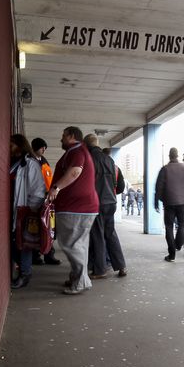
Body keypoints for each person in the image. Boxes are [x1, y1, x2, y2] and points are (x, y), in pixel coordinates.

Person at [47, 126, 99, 295]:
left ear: (71, 136)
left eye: (63, 136)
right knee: (79, 245)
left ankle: (80, 281)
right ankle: (79, 278)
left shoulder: (76, 151)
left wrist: (56, 187)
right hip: (83, 207)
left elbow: (75, 172)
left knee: (70, 245)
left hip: (76, 207)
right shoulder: (79, 151)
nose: (61, 139)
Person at [84, 134, 128, 279]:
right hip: (111, 202)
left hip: (97, 202)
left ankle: (100, 270)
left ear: (86, 144)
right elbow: (119, 186)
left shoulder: (88, 159)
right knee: (111, 234)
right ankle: (121, 266)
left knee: (97, 235)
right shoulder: (110, 160)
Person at [9, 134, 46, 289]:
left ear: (19, 145)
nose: (9, 148)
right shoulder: (15, 163)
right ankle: (24, 270)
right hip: (15, 209)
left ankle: (25, 274)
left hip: (25, 209)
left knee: (24, 243)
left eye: (11, 145)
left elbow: (38, 190)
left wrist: (30, 209)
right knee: (17, 242)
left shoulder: (30, 164)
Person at [155, 147, 184, 262]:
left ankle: (171, 255)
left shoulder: (165, 169)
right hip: (183, 202)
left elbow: (159, 187)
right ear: (177, 156)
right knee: (181, 225)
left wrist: (159, 200)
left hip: (169, 203)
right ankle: (178, 244)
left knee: (169, 227)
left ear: (169, 156)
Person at [30, 137, 61, 266]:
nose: (44, 150)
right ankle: (35, 256)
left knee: (50, 228)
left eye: (45, 148)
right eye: (42, 147)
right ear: (36, 147)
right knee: (34, 229)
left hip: (47, 199)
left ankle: (49, 255)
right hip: (34, 200)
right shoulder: (29, 161)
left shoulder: (44, 161)